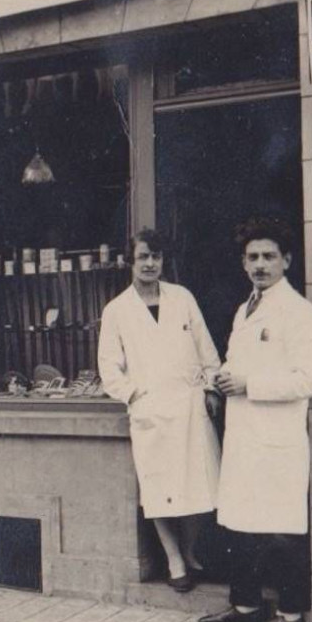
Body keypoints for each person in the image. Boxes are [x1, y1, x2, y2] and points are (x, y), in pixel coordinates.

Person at [198, 216, 312, 622]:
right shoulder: (245, 308)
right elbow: (241, 360)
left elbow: (309, 380)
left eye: (269, 256)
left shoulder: (300, 313)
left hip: (277, 440)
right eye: (252, 257)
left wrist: (249, 385)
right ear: (243, 262)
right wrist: (225, 377)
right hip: (244, 435)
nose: (260, 264)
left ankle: (291, 616)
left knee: (280, 529)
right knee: (240, 524)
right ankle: (247, 607)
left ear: (286, 260)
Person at [98, 229, 222, 592]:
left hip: (188, 406)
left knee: (199, 485)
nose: (150, 263)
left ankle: (190, 548)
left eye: (156, 257)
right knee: (159, 489)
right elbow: (109, 369)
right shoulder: (117, 310)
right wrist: (136, 395)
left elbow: (206, 349)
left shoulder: (182, 298)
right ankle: (174, 559)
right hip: (151, 411)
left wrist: (211, 387)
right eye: (143, 257)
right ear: (129, 262)